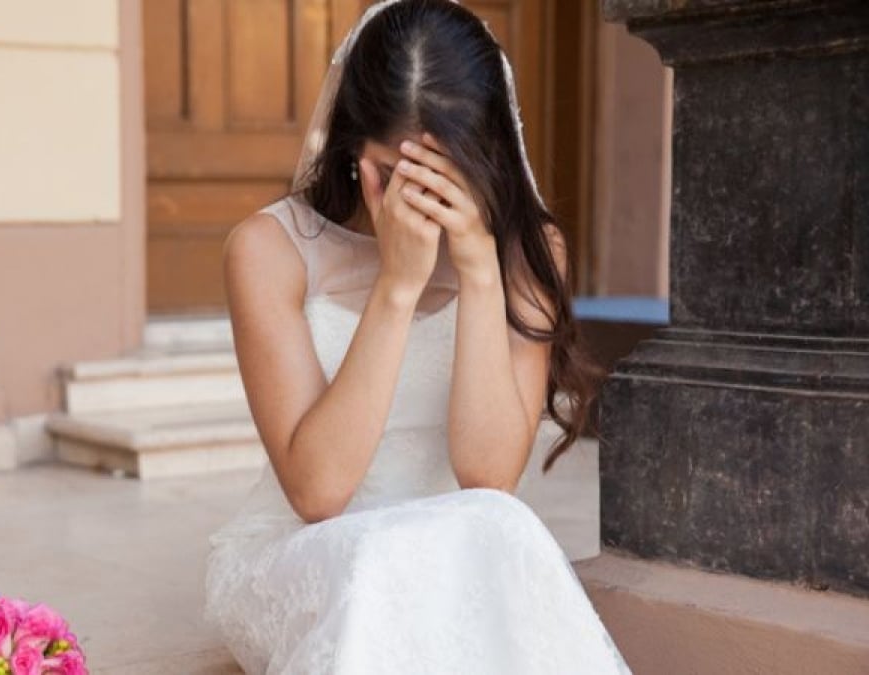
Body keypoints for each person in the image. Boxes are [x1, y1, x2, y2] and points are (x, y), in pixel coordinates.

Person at [203, 1, 630, 672]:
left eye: (444, 174)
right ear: (351, 149)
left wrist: (480, 272)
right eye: (394, 173)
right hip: (319, 551)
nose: (418, 198)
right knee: (383, 560)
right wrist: (397, 287)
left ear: (485, 155)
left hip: (461, 540)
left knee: (504, 528)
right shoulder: (269, 250)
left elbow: (488, 479)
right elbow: (319, 492)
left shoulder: (530, 251)